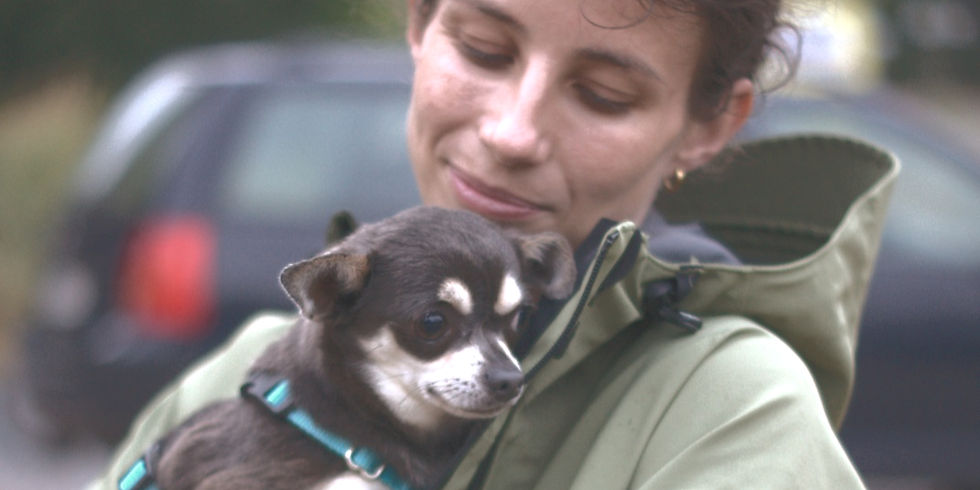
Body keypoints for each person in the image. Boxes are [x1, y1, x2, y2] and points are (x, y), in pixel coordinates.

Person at [91, 0, 899, 488]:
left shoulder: (731, 413)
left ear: (710, 125)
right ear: (419, 21)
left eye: (602, 94)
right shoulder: (243, 373)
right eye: (483, 47)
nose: (513, 132)